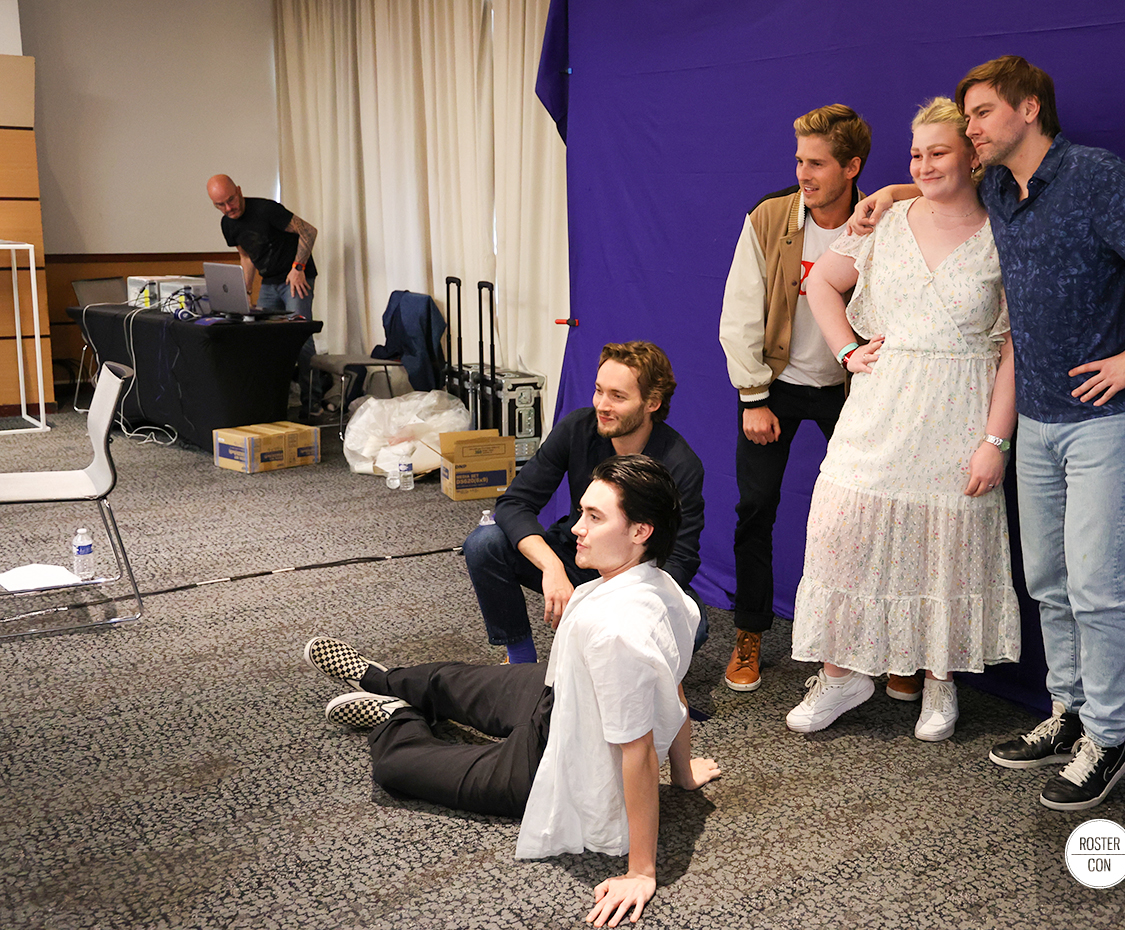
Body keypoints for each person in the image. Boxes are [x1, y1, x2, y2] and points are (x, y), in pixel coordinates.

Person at [856, 57, 1125, 809]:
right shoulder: (996, 188)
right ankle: (1067, 714)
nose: (970, 129)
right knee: (1048, 580)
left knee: (1096, 584)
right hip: (1037, 422)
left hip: (1107, 422)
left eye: (981, 114)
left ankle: (1109, 741)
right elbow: (933, 186)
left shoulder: (1094, 175)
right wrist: (886, 194)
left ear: (1028, 109)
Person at [303, 455, 722, 928]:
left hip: (548, 757)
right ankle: (379, 678)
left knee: (396, 766)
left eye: (595, 517)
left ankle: (394, 716)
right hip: (562, 695)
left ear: (640, 532)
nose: (577, 528)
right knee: (454, 679)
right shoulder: (668, 590)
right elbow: (676, 685)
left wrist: (641, 872)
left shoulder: (616, 634)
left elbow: (639, 750)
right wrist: (683, 773)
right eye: (583, 512)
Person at [785, 98, 1021, 743]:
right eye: (914, 153)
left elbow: (1012, 350)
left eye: (938, 151)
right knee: (843, 529)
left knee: (948, 551)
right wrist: (846, 352)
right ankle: (842, 674)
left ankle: (940, 683)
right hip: (880, 407)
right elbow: (820, 285)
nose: (922, 163)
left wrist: (995, 440)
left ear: (974, 154)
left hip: (961, 411)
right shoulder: (883, 220)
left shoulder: (1007, 230)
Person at [719, 104, 909, 697]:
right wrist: (753, 397)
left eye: (818, 163)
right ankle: (750, 632)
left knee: (868, 516)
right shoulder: (770, 215)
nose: (803, 172)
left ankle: (878, 648)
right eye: (799, 159)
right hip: (775, 385)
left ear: (852, 167)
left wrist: (898, 190)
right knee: (756, 508)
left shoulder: (888, 219)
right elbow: (740, 311)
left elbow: (969, 179)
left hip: (852, 390)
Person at [463, 342, 706, 664]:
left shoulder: (679, 464)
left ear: (652, 403)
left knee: (695, 627)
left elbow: (680, 560)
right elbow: (514, 503)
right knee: (485, 543)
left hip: (636, 575)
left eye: (618, 396)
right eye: (598, 391)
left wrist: (614, 600)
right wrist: (551, 568)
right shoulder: (578, 428)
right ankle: (519, 659)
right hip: (578, 554)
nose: (602, 405)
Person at [206, 174, 326, 417]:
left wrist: (298, 269)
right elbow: (247, 256)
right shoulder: (227, 224)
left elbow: (309, 232)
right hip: (269, 282)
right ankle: (271, 404)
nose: (229, 208)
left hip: (296, 278)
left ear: (239, 190)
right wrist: (245, 291)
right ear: (214, 205)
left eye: (232, 200)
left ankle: (313, 405)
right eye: (221, 204)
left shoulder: (266, 209)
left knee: (301, 338)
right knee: (261, 338)